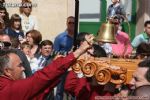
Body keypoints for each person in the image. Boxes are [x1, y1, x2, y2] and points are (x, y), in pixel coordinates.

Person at [0, 34, 94, 100]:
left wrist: (62, 69)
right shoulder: (10, 89)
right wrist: (79, 51)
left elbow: (40, 90)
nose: (23, 68)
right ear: (7, 71)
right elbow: (43, 76)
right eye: (20, 66)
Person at [64, 32, 114, 100]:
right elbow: (69, 87)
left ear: (96, 57)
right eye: (86, 52)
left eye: (88, 53)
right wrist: (79, 71)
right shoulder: (83, 71)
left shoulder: (103, 74)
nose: (85, 55)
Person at [54, 16, 75, 100]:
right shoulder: (60, 37)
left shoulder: (79, 36)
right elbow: (54, 53)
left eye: (74, 23)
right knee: (60, 90)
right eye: (70, 22)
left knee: (74, 89)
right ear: (66, 23)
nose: (72, 24)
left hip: (75, 67)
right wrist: (67, 53)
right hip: (63, 67)